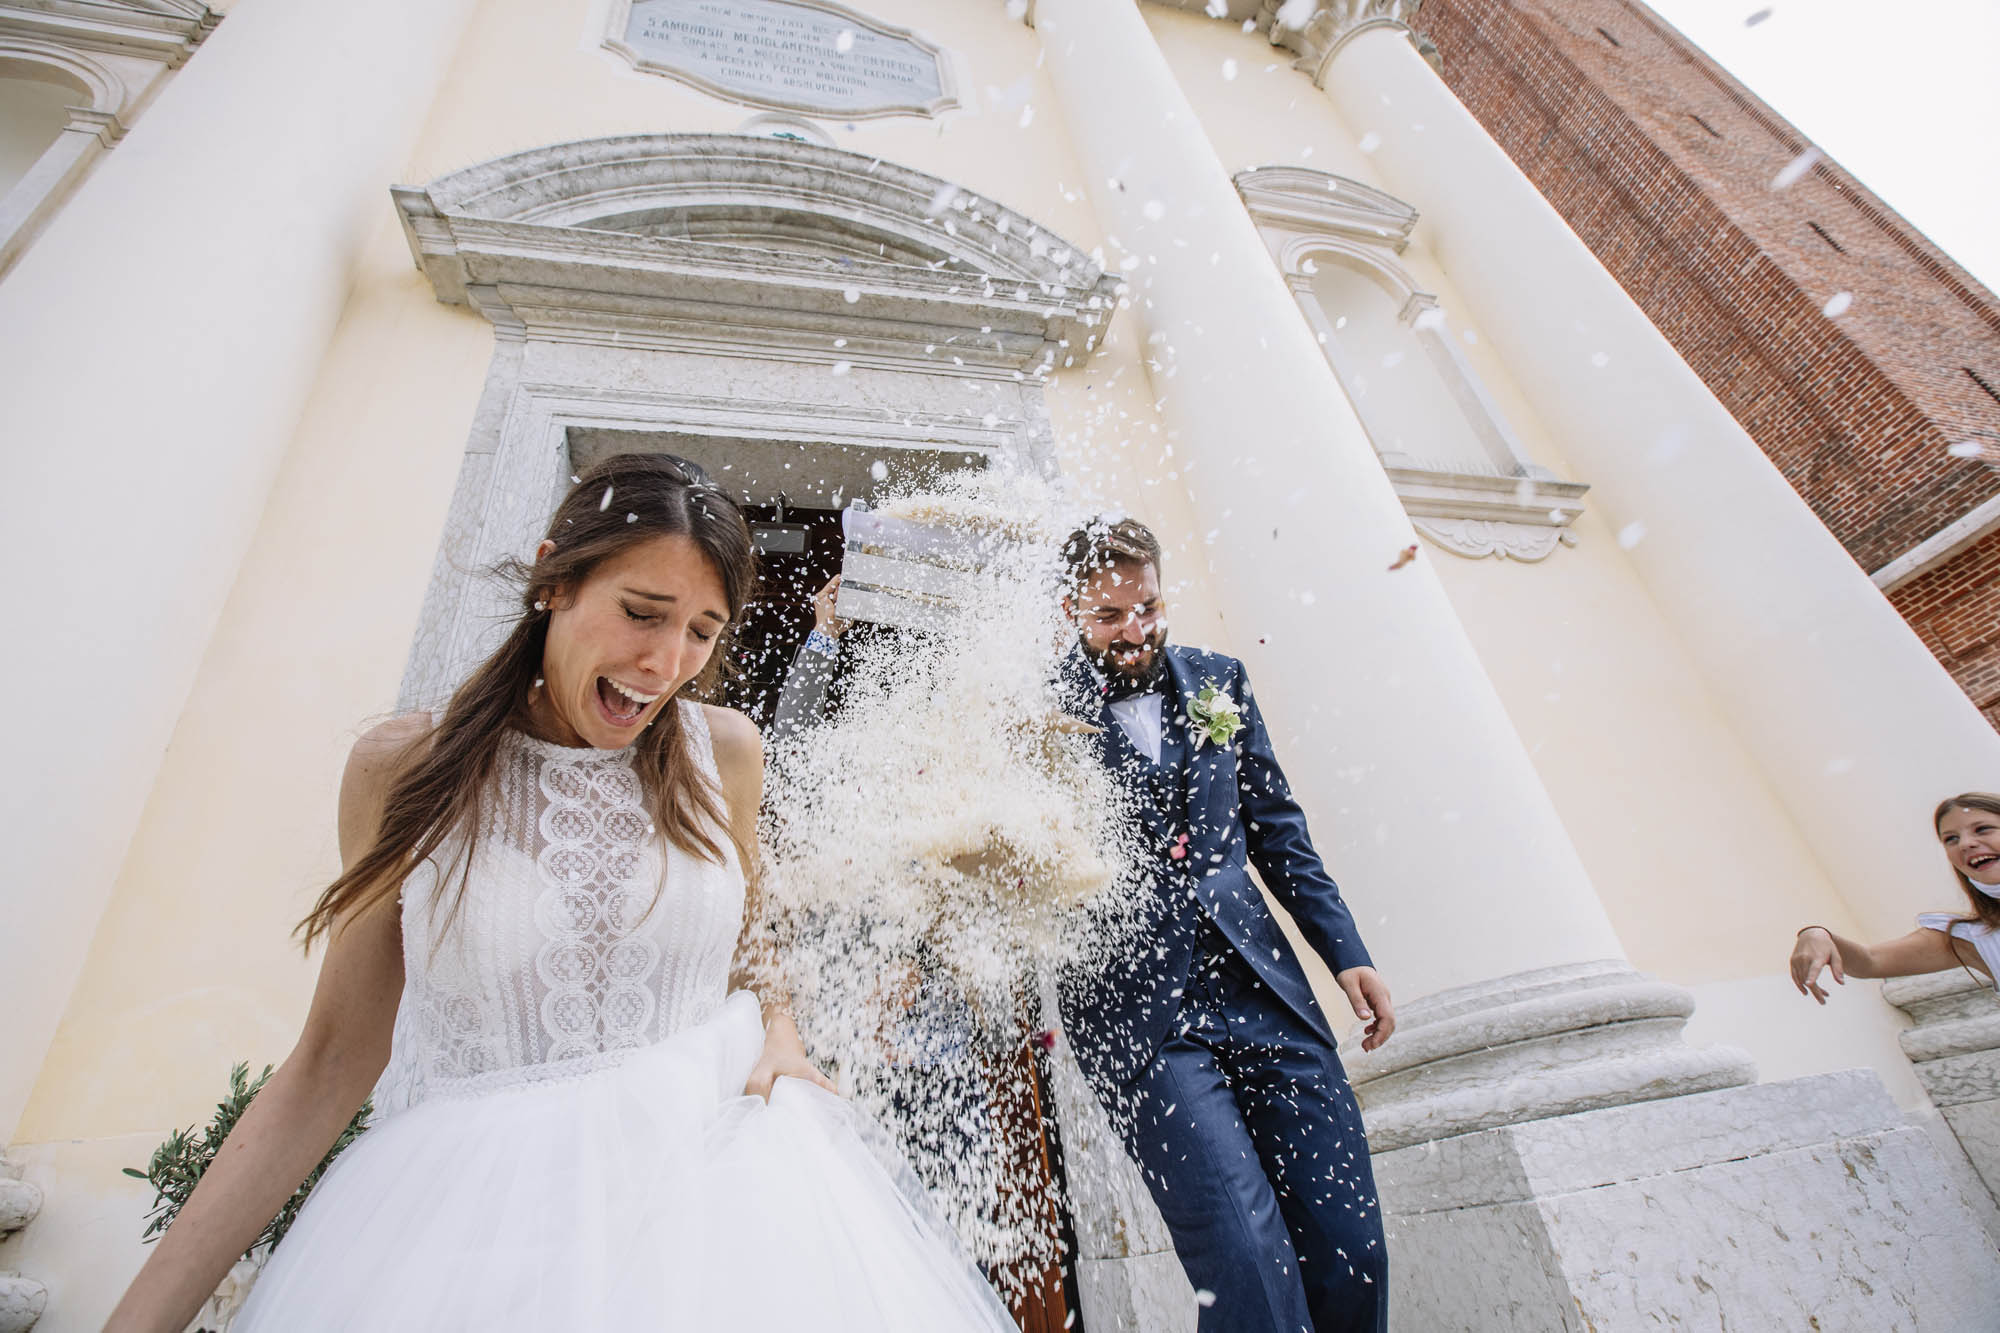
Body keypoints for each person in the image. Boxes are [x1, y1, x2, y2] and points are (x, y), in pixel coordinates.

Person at [106, 454, 1016, 1332]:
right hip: (480, 1237)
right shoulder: (402, 769)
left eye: (702, 631)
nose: (665, 662)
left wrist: (781, 1031)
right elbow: (333, 1060)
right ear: (555, 581)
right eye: (641, 613)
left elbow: (752, 936)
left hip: (721, 1219)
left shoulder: (728, 753)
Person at [1052, 517, 1393, 1333]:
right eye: (1110, 616)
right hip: (1144, 1018)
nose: (1135, 630)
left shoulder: (1219, 680)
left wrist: (1344, 952)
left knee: (1352, 1248)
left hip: (1265, 990)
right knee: (1247, 1262)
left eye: (1148, 607)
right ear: (1071, 610)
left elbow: (1278, 830)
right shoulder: (1033, 710)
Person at [1791, 792, 2000, 998]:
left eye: (1983, 829)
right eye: (1951, 839)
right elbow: (1870, 961)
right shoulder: (1972, 938)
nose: (1965, 844)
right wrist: (1815, 933)